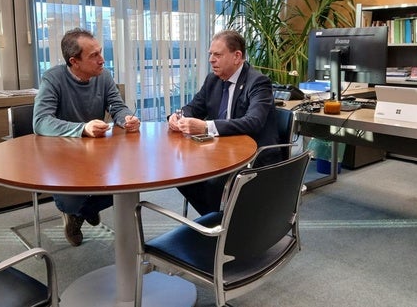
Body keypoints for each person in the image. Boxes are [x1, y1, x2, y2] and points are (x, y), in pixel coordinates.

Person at [33, 27, 140, 246]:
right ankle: (76, 213)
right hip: (63, 157)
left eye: (100, 52)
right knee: (71, 202)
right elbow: (41, 121)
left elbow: (117, 106)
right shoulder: (53, 79)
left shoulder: (104, 76)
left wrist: (126, 118)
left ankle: (82, 212)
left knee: (130, 184)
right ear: (75, 61)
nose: (102, 59)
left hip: (98, 154)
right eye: (94, 55)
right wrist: (83, 128)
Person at [168, 29, 282, 215]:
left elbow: (253, 122)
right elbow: (194, 107)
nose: (211, 59)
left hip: (254, 155)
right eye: (210, 54)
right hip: (220, 151)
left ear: (237, 56)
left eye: (217, 55)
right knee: (181, 174)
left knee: (214, 183)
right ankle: (218, 220)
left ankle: (226, 226)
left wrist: (206, 126)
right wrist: (178, 116)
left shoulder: (258, 82)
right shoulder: (213, 79)